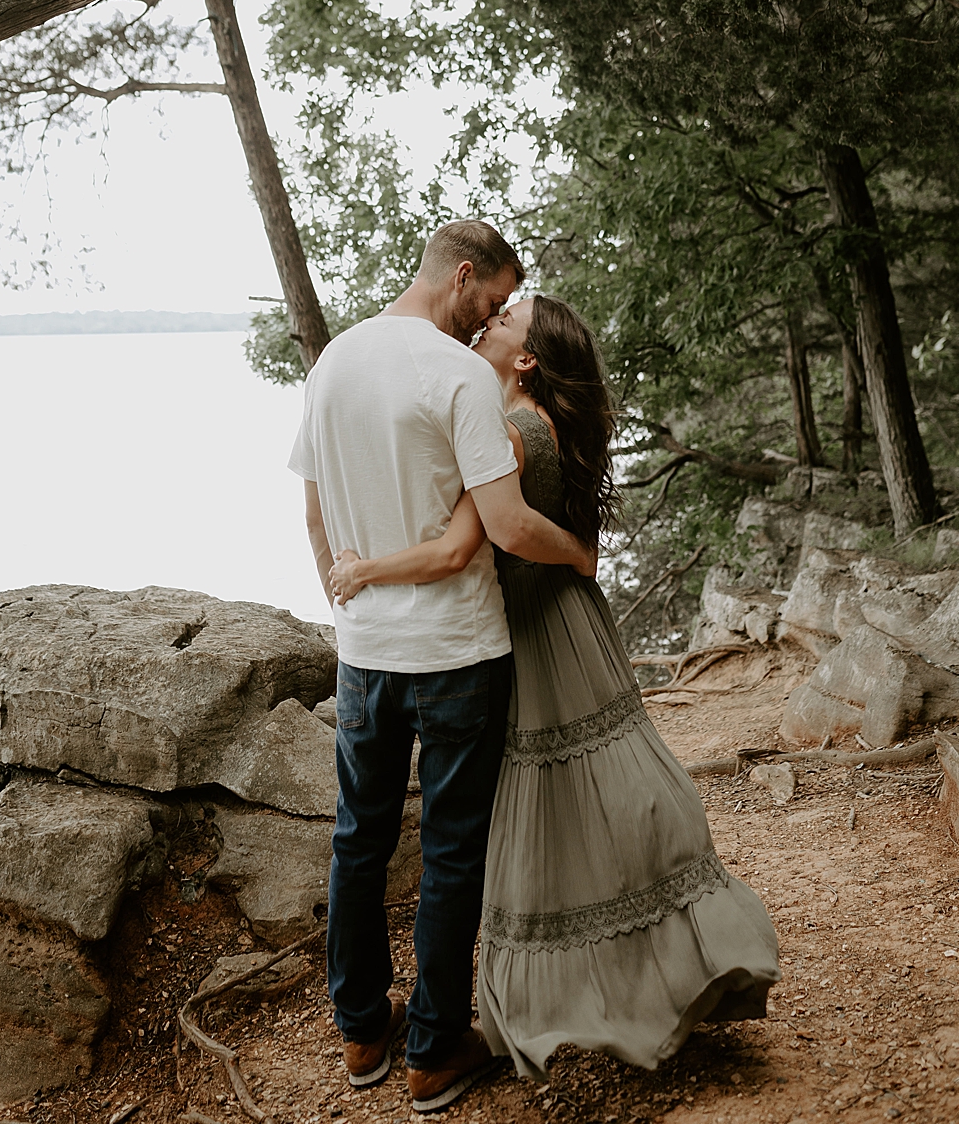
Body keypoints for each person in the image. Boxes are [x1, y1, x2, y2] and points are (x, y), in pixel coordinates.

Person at [327, 294, 779, 1083]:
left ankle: (588, 997)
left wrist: (363, 568)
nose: (488, 322)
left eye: (504, 320)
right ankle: (638, 974)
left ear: (527, 357)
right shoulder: (545, 422)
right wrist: (581, 557)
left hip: (535, 634)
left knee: (545, 816)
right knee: (591, 803)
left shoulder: (512, 428)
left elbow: (470, 543)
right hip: (572, 624)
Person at [289, 220, 598, 1115]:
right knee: (453, 853)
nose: (490, 319)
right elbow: (501, 530)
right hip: (459, 652)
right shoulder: (458, 373)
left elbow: (314, 512)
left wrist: (348, 606)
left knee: (359, 839)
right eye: (494, 301)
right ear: (462, 277)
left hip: (367, 656)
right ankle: (432, 1049)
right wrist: (579, 553)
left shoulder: (334, 363)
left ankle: (359, 1033)